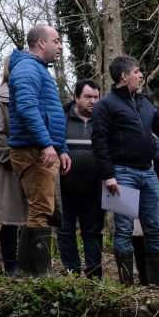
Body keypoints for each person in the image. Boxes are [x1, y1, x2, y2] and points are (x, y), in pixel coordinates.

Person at [91, 56, 159, 288]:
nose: (141, 75)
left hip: (148, 173)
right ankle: (126, 287)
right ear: (124, 76)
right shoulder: (106, 105)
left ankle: (156, 285)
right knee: (123, 230)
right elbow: (99, 142)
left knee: (153, 228)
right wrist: (108, 175)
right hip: (121, 174)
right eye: (137, 71)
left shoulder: (145, 103)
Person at [8, 24, 71, 276]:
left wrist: (61, 148)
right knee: (41, 209)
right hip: (33, 150)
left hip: (41, 148)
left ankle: (29, 270)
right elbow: (27, 109)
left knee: (42, 208)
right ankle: (38, 273)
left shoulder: (38, 70)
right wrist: (46, 144)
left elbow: (50, 115)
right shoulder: (26, 68)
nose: (61, 46)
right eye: (56, 41)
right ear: (41, 43)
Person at [0, 56, 28, 277]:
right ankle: (11, 268)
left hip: (33, 168)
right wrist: (15, 160)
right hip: (10, 169)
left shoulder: (32, 96)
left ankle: (31, 265)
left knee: (32, 218)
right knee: (11, 220)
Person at [56, 79, 103, 279]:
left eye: (96, 97)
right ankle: (71, 272)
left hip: (94, 190)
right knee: (65, 232)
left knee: (92, 233)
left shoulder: (103, 120)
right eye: (88, 97)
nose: (92, 101)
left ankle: (94, 274)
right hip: (65, 188)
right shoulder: (61, 119)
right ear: (76, 98)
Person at [131, 135, 159, 285]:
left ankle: (155, 282)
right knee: (136, 240)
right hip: (130, 199)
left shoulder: (154, 142)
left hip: (152, 201)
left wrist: (157, 201)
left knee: (150, 239)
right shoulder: (122, 136)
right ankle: (144, 281)